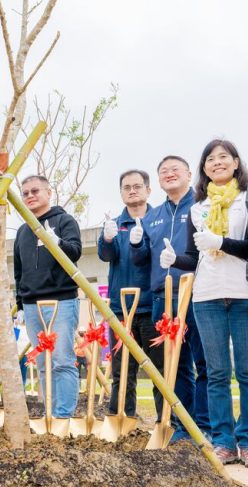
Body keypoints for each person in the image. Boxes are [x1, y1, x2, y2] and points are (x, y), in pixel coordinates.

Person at [163, 140, 248, 467]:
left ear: (236, 163)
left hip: (244, 293)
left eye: (224, 157)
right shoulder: (198, 207)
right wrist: (176, 258)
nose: (217, 162)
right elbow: (196, 257)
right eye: (210, 158)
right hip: (206, 296)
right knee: (217, 373)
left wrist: (220, 241)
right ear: (204, 168)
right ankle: (223, 441)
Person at [130, 155, 211, 441]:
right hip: (163, 299)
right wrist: (136, 243)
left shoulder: (202, 206)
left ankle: (204, 426)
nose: (169, 174)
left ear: (189, 174)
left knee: (203, 363)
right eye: (163, 171)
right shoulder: (152, 216)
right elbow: (142, 261)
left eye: (175, 169)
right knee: (173, 367)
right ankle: (180, 424)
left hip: (197, 294)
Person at [97, 169, 163, 420]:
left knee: (160, 370)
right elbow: (106, 256)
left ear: (148, 190)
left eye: (137, 186)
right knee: (122, 370)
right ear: (121, 193)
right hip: (121, 311)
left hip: (152, 307)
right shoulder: (116, 223)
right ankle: (121, 419)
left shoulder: (159, 221)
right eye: (127, 187)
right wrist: (106, 237)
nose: (132, 190)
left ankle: (165, 422)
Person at [14, 175, 82, 418]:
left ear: (48, 192)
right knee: (42, 362)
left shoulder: (64, 221)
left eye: (35, 191)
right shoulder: (23, 231)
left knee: (62, 359)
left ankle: (63, 415)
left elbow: (75, 252)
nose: (30, 196)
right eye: (25, 193)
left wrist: (57, 242)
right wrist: (20, 304)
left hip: (61, 300)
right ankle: (50, 413)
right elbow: (18, 272)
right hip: (31, 304)